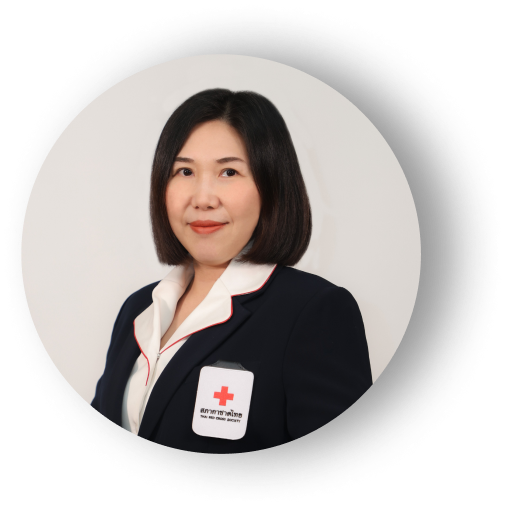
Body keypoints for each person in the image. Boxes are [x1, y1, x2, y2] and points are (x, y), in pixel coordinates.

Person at [91, 88, 372, 453]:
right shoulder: (139, 307)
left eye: (229, 171)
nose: (203, 198)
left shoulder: (315, 312)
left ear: (271, 186)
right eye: (185, 171)